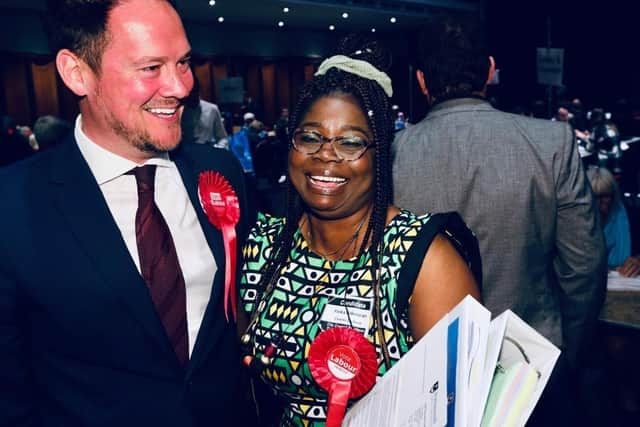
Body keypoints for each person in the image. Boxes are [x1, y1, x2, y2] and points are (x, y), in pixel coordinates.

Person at [0, 1, 253, 426]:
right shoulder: (13, 207)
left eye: (184, 62)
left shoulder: (220, 173)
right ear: (77, 72)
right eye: (151, 67)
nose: (181, 86)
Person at [239, 35, 480, 427]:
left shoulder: (425, 260)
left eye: (351, 142)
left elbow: (461, 411)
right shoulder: (265, 245)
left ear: (380, 154)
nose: (326, 155)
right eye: (310, 137)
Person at [392, 13, 607, 426]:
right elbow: (583, 267)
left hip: (424, 373)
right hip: (530, 366)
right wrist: (563, 354)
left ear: (421, 80)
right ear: (490, 72)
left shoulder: (393, 154)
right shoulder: (552, 144)